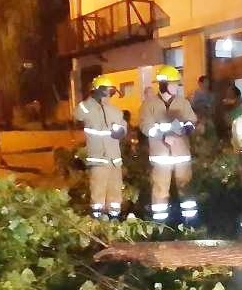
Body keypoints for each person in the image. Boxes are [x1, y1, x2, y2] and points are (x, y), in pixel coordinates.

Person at [139, 65, 199, 223]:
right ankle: (160, 225)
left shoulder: (183, 103)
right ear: (163, 84)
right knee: (160, 191)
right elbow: (146, 127)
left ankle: (190, 224)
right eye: (173, 84)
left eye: (177, 84)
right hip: (161, 156)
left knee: (186, 188)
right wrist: (163, 135)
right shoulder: (149, 104)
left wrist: (185, 129)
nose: (177, 87)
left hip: (181, 154)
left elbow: (192, 122)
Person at [74, 74, 127, 219]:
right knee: (97, 195)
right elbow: (77, 114)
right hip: (98, 160)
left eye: (110, 92)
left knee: (115, 195)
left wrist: (121, 131)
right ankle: (97, 223)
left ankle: (114, 222)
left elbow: (124, 127)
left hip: (115, 161)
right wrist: (92, 99)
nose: (108, 95)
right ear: (97, 91)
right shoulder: (88, 108)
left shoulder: (115, 111)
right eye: (106, 91)